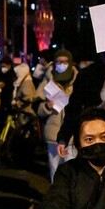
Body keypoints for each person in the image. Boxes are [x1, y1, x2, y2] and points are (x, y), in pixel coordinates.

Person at [36, 49, 78, 182]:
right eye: (59, 62)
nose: (62, 64)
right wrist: (47, 107)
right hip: (53, 135)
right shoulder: (48, 81)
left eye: (65, 61)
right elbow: (37, 107)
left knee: (72, 172)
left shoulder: (79, 81)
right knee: (55, 171)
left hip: (72, 136)